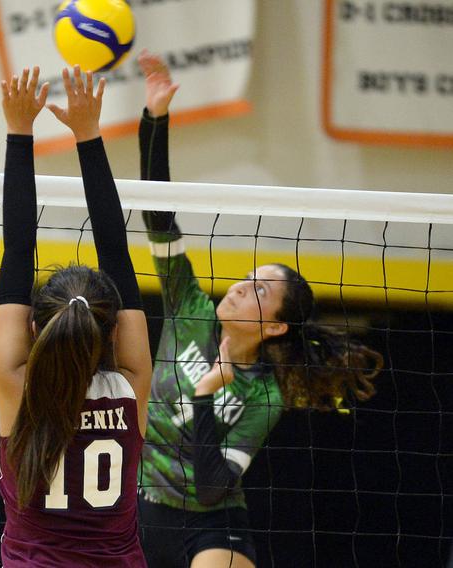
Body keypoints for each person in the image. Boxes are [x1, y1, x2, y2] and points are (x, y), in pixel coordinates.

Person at [134, 51, 384, 568]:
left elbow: (210, 490)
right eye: (246, 279)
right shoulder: (191, 307)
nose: (242, 288)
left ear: (273, 326)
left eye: (259, 291)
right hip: (139, 513)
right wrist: (155, 119)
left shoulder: (264, 394)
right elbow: (157, 210)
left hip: (211, 524)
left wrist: (206, 395)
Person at [0, 64, 154, 567]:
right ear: (114, 330)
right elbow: (118, 252)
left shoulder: (17, 385)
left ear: (33, 328)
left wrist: (20, 133)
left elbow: (17, 250)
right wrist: (89, 134)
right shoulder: (129, 388)